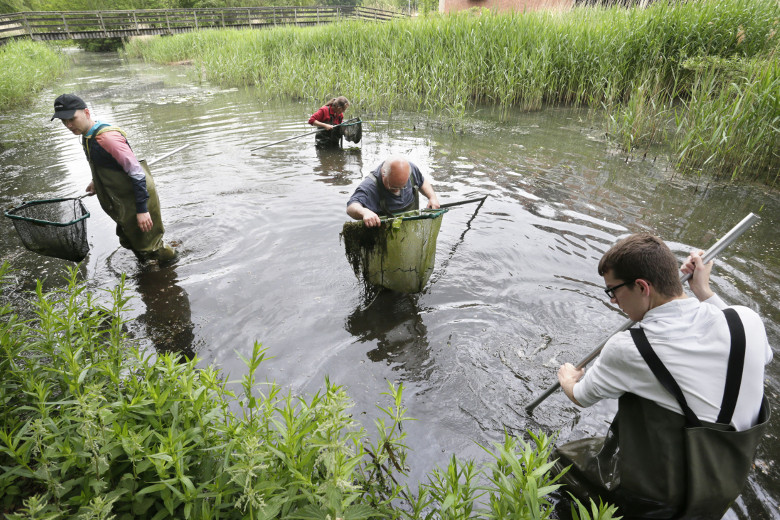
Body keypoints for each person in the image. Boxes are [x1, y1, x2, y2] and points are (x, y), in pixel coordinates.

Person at [554, 233, 772, 519]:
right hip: (726, 478)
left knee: (558, 464)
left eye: (613, 291)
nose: (614, 301)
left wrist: (568, 378)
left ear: (642, 286)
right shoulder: (747, 320)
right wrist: (703, 289)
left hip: (662, 498)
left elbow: (582, 396)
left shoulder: (629, 348)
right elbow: (763, 355)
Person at [51, 93, 176, 264]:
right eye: (64, 121)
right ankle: (149, 269)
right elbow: (106, 163)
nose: (68, 125)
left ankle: (173, 265)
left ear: (86, 113)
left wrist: (142, 209)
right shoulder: (87, 135)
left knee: (152, 246)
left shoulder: (107, 138)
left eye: (72, 118)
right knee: (130, 240)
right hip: (122, 198)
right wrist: (96, 181)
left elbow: (137, 173)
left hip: (138, 196)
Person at [346, 156, 440, 227]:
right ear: (383, 174)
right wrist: (364, 212)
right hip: (386, 234)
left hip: (412, 227)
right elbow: (351, 207)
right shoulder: (370, 186)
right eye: (393, 187)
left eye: (403, 186)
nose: (398, 190)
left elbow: (422, 182)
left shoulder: (411, 169)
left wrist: (432, 197)